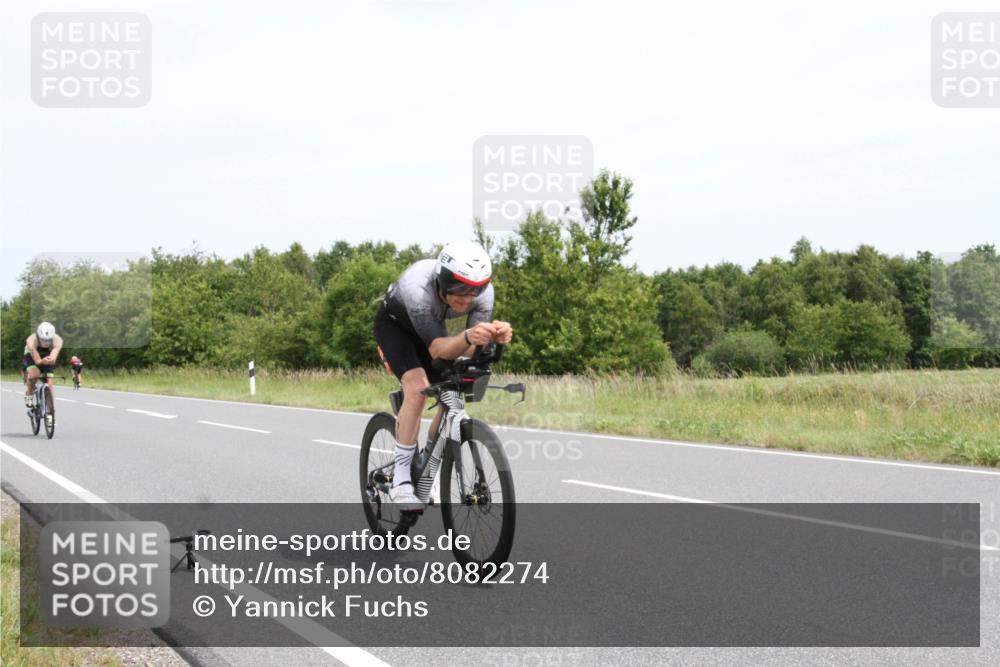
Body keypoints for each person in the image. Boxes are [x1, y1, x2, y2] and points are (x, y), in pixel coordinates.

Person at [374, 241, 513, 511]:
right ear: (442, 278)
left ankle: (428, 464)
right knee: (417, 388)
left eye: (475, 288)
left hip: (433, 333)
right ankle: (401, 480)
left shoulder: (483, 294)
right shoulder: (418, 288)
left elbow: (471, 349)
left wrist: (493, 339)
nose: (466, 297)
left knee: (454, 389)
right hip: (397, 329)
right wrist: (468, 336)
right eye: (459, 287)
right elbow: (439, 349)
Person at [23, 322, 64, 413]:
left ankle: (50, 412)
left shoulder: (58, 340)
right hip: (31, 355)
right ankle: (29, 395)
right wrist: (42, 361)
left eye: (48, 340)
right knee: (34, 375)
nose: (46, 342)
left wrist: (50, 360)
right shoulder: (31, 340)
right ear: (38, 336)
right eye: (43, 340)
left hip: (47, 355)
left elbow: (53, 357)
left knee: (49, 384)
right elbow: (37, 361)